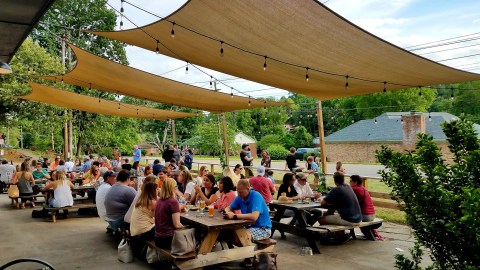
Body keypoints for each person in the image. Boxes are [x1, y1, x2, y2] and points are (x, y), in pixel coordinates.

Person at [154, 178, 184, 249]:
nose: (177, 188)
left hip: (157, 238)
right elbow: (177, 225)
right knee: (194, 234)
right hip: (168, 239)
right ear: (173, 188)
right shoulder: (173, 201)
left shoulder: (159, 200)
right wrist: (186, 228)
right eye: (176, 186)